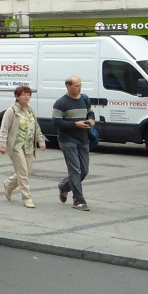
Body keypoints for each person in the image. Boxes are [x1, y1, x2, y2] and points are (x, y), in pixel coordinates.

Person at [0, 85, 46, 208]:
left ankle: (8, 184)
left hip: (29, 146)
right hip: (16, 146)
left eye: (28, 94)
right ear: (17, 97)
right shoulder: (12, 111)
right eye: (23, 94)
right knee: (23, 172)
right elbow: (4, 129)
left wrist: (41, 141)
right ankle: (27, 198)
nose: (26, 97)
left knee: (26, 171)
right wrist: (2, 144)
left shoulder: (31, 111)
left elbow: (37, 127)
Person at [53, 75, 95, 210]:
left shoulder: (85, 99)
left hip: (83, 139)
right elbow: (56, 122)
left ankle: (64, 186)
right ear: (68, 86)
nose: (79, 88)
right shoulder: (60, 103)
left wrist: (91, 120)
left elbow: (90, 113)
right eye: (76, 86)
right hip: (67, 140)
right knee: (75, 170)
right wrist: (75, 124)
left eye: (80, 85)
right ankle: (78, 201)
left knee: (84, 170)